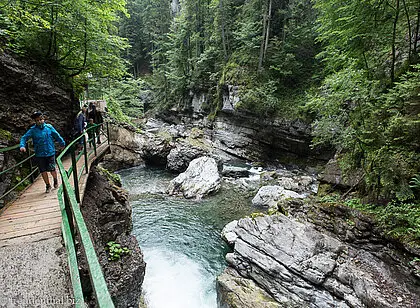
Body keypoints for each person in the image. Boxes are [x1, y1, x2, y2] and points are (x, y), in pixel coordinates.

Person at [20, 111, 66, 193]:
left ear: (43, 119)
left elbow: (56, 135)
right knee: (43, 170)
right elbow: (24, 137)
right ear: (35, 121)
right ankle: (48, 185)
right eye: (37, 120)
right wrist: (22, 145)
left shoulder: (49, 127)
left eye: (41, 119)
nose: (39, 121)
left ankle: (55, 179)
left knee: (52, 169)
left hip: (50, 152)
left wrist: (62, 143)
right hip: (39, 154)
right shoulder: (32, 130)